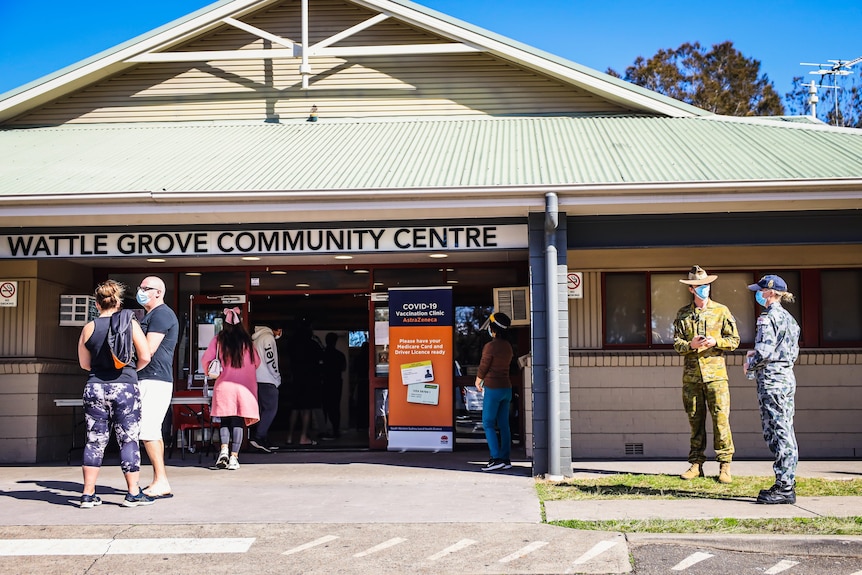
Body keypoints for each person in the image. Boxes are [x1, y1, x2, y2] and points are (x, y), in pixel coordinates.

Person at [76, 280, 153, 508]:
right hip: (125, 387)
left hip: (95, 387)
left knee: (94, 439)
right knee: (128, 438)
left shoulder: (89, 327)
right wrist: (128, 371)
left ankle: (88, 494)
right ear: (118, 302)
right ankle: (133, 492)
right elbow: (145, 356)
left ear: (97, 305)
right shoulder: (129, 323)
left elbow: (83, 363)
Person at [673, 265, 740, 484]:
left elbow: (734, 341)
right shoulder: (683, 313)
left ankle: (725, 466)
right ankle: (696, 464)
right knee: (695, 421)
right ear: (691, 289)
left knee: (721, 420)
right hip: (692, 377)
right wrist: (690, 345)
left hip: (716, 376)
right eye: (699, 286)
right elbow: (676, 343)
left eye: (706, 285)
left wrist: (716, 342)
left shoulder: (721, 311)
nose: (704, 289)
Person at [745, 275, 801, 504]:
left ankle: (785, 486)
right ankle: (786, 481)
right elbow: (792, 352)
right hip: (785, 377)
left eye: (760, 290)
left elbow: (764, 352)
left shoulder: (768, 318)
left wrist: (750, 363)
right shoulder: (790, 319)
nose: (757, 294)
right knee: (783, 428)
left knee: (779, 431)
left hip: (772, 380)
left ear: (769, 292)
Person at [135, 276, 179, 499]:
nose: (141, 291)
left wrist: (130, 368)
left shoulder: (161, 314)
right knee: (150, 430)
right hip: (151, 379)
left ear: (159, 292)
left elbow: (148, 350)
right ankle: (158, 479)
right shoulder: (153, 315)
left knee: (148, 430)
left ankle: (161, 480)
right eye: (140, 288)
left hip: (153, 379)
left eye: (146, 288)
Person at [202, 307, 260, 470]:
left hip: (224, 387)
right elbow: (257, 362)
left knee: (225, 421)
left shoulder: (218, 340)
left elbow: (206, 360)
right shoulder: (248, 342)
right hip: (244, 388)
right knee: (237, 421)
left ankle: (224, 451)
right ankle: (234, 458)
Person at [475, 312, 513, 472]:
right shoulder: (508, 346)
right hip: (507, 388)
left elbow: (484, 365)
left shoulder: (490, 346)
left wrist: (478, 379)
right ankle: (505, 459)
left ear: (493, 329)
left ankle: (495, 458)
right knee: (504, 424)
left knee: (488, 423)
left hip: (493, 388)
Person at [285, 320, 324, 445]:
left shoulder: (292, 343)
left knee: (295, 409)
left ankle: (289, 437)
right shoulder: (312, 344)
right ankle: (303, 437)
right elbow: (322, 356)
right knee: (306, 409)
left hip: (296, 378)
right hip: (309, 379)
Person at [250, 322, 283, 453]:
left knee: (262, 410)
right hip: (267, 379)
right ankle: (258, 437)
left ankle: (263, 438)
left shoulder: (256, 338)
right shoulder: (268, 338)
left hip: (256, 379)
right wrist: (277, 377)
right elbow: (271, 360)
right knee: (270, 410)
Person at [320, 332, 347, 440]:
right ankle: (336, 430)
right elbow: (343, 368)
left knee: (324, 407)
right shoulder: (339, 355)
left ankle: (324, 430)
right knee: (335, 407)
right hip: (336, 382)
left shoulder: (323, 354)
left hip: (325, 382)